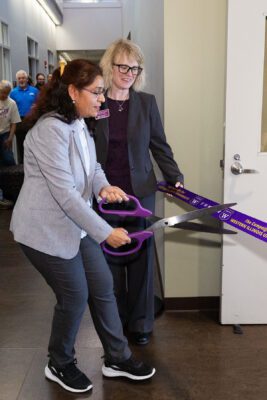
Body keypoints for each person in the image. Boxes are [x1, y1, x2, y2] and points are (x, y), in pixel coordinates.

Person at [10, 59, 155, 394]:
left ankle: (117, 357)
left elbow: (93, 167)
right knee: (75, 295)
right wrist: (106, 232)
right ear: (73, 91)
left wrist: (102, 186)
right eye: (97, 92)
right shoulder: (49, 130)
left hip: (73, 225)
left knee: (102, 285)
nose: (103, 99)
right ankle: (59, 362)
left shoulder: (78, 122)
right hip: (43, 231)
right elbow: (65, 195)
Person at [93, 39, 184, 346]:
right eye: (123, 66)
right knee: (112, 259)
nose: (129, 72)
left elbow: (159, 144)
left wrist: (174, 177)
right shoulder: (96, 103)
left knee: (143, 258)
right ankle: (116, 322)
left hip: (140, 194)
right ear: (110, 66)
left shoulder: (146, 103)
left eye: (134, 67)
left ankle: (142, 322)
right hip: (105, 195)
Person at [10, 70, 39, 163]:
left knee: (33, 143)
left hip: (32, 121)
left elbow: (41, 104)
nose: (21, 80)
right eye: (19, 78)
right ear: (17, 80)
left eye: (23, 78)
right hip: (19, 121)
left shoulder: (34, 91)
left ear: (27, 79)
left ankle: (35, 163)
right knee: (21, 144)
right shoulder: (13, 93)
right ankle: (22, 165)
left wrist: (37, 106)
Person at [0, 80, 21, 209]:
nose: (4, 96)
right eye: (2, 93)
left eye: (6, 93)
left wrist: (10, 138)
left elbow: (14, 123)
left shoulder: (11, 103)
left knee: (9, 161)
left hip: (5, 134)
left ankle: (12, 194)